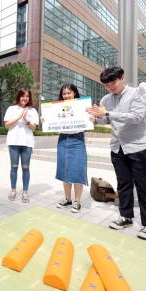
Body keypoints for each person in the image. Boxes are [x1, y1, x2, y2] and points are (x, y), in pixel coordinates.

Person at [86, 67, 146, 240]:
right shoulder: (106, 99)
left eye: (113, 82)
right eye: (106, 84)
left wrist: (107, 113)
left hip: (139, 146)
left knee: (144, 186)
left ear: (122, 78)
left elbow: (136, 117)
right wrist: (96, 117)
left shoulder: (137, 94)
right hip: (117, 147)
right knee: (123, 184)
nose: (110, 87)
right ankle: (126, 217)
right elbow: (105, 118)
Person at [48, 84, 94, 213]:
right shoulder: (57, 108)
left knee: (78, 169)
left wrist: (92, 119)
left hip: (77, 140)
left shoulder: (83, 106)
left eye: (69, 93)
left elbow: (88, 122)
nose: (66, 95)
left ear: (74, 93)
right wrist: (45, 120)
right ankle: (67, 199)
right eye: (64, 94)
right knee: (64, 169)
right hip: (63, 139)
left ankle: (77, 201)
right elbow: (52, 122)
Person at [4, 89, 39, 203]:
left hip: (27, 143)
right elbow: (6, 125)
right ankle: (13, 190)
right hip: (13, 141)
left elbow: (34, 128)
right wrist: (18, 118)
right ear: (19, 96)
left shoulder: (32, 110)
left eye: (27, 96)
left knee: (26, 168)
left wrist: (26, 120)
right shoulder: (11, 109)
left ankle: (25, 192)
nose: (25, 98)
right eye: (23, 96)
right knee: (13, 167)